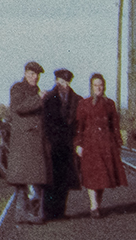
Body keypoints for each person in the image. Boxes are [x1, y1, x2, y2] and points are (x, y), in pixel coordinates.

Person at [73, 72, 127, 218]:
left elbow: (114, 125)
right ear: (91, 87)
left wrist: (118, 143)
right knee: (91, 176)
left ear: (104, 86)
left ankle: (98, 204)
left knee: (103, 177)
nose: (98, 88)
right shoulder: (84, 104)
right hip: (90, 144)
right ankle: (93, 205)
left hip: (106, 144)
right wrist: (78, 144)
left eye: (101, 85)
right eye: (95, 85)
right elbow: (79, 126)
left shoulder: (110, 104)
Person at [5, 61, 51, 223]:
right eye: (32, 74)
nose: (35, 77)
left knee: (30, 178)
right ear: (25, 73)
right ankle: (29, 214)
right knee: (26, 178)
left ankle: (25, 213)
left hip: (33, 142)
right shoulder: (18, 88)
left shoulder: (35, 90)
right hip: (24, 142)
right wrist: (38, 98)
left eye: (37, 75)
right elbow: (20, 107)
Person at [42, 68, 81, 219]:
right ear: (56, 81)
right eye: (60, 81)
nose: (62, 85)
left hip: (67, 145)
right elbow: (45, 121)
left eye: (65, 82)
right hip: (52, 144)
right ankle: (48, 211)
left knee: (64, 180)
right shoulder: (48, 98)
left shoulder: (77, 99)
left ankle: (60, 212)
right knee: (51, 179)